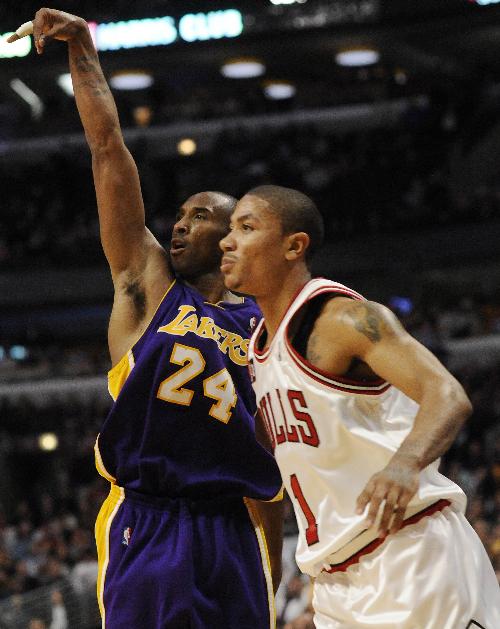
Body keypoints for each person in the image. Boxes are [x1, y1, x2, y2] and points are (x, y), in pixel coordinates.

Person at [16, 10, 284, 628]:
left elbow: (266, 458)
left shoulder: (264, 322)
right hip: (150, 517)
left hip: (233, 522)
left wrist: (271, 559)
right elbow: (108, 148)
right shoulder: (148, 287)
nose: (180, 225)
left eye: (199, 216)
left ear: (236, 234)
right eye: (179, 216)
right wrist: (82, 49)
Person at [220, 184, 500, 628]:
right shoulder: (258, 350)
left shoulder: (341, 318)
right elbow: (275, 462)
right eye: (231, 228)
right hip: (335, 584)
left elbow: (447, 394)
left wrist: (405, 463)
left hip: (410, 555)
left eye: (246, 227)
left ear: (294, 246)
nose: (227, 240)